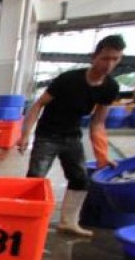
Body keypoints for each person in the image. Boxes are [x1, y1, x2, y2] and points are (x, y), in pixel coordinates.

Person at [18, 34, 125, 238]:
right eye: (105, 58)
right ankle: (27, 221)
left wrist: (102, 155)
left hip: (72, 136)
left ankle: (68, 222)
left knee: (80, 179)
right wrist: (25, 134)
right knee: (35, 178)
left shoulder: (110, 87)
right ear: (94, 57)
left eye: (115, 59)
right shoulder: (68, 79)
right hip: (47, 134)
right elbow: (39, 104)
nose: (109, 64)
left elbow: (98, 122)